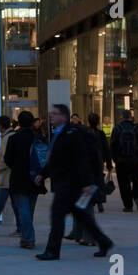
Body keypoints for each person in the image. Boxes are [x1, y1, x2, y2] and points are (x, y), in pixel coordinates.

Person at [34, 104, 114, 260]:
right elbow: (56, 158)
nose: (51, 116)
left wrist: (86, 183)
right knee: (83, 216)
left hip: (71, 184)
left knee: (57, 217)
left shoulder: (72, 134)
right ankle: (103, 241)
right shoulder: (60, 133)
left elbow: (81, 160)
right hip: (68, 184)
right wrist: (43, 174)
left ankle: (52, 251)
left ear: (63, 116)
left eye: (55, 114)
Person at [4, 110, 39, 248]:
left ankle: (29, 238)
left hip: (19, 177)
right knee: (29, 209)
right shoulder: (37, 137)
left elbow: (8, 159)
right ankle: (26, 237)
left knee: (22, 209)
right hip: (35, 177)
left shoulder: (14, 138)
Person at [110, 109, 138, 212]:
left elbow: (112, 145)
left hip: (122, 161)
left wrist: (115, 159)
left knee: (124, 183)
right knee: (137, 181)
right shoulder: (137, 128)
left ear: (122, 117)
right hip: (136, 161)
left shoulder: (117, 128)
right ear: (131, 117)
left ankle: (128, 205)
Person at [88, 114, 112, 213]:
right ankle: (99, 202)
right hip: (99, 161)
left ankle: (92, 202)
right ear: (98, 122)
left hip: (88, 162)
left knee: (90, 182)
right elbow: (106, 149)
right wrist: (109, 163)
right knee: (99, 181)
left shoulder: (85, 132)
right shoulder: (101, 134)